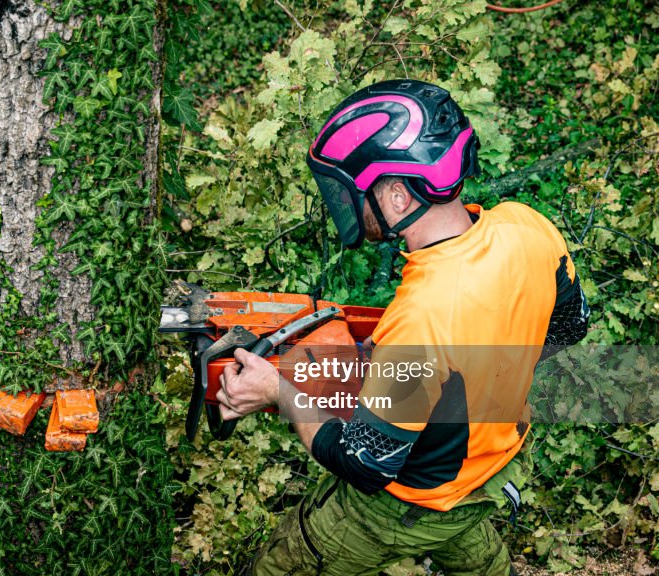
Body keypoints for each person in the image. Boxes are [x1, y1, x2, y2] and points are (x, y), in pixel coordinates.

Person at [214, 79, 590, 576]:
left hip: (401, 505)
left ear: (395, 194)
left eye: (353, 191)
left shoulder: (425, 316)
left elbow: (363, 464)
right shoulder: (526, 226)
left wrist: (276, 389)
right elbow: (570, 326)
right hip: (491, 465)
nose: (348, 203)